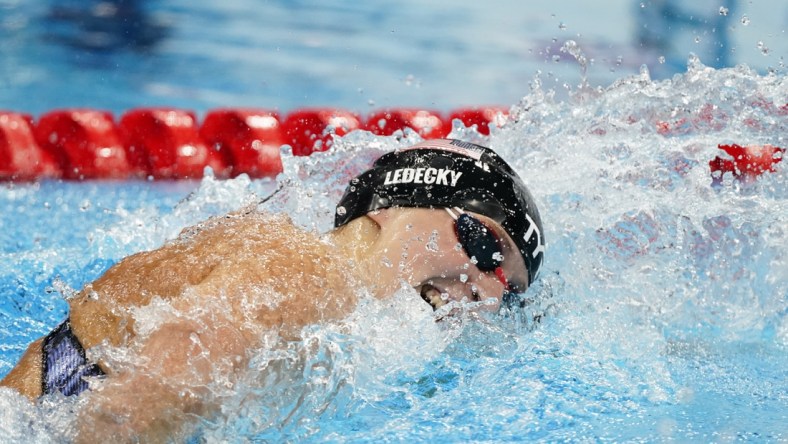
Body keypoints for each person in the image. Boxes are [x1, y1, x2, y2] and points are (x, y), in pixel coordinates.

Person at [0, 138, 544, 441]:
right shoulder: (305, 271)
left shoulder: (333, 304)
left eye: (511, 292)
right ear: (399, 207)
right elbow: (141, 402)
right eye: (483, 246)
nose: (488, 295)